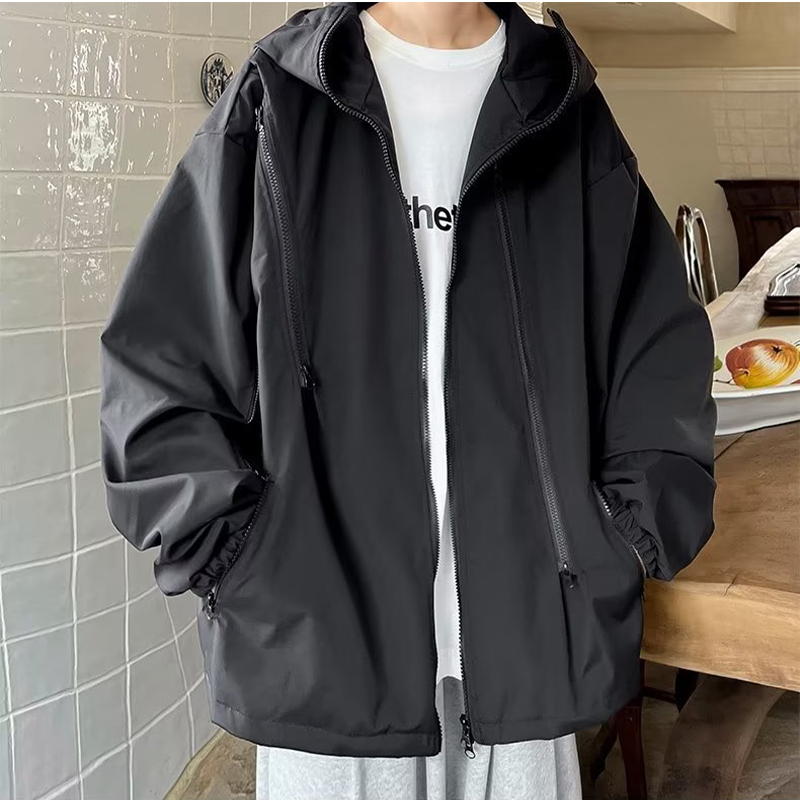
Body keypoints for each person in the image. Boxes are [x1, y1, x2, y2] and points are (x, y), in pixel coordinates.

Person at [99, 3, 717, 799]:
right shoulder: (281, 93)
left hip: (535, 640)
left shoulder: (562, 105)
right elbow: (161, 366)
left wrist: (626, 533)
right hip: (326, 654)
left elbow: (655, 352)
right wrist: (239, 560)